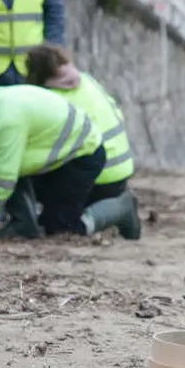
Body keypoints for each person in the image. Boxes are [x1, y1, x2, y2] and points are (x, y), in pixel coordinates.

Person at [0, 86, 125, 237]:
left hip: (82, 157)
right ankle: (24, 225)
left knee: (62, 229)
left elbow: (3, 182)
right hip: (61, 157)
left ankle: (123, 208)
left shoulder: (3, 123)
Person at [25, 43, 141, 240]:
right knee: (50, 219)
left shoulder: (51, 98)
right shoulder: (87, 80)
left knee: (64, 228)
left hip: (98, 176)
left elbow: (44, 154)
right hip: (118, 172)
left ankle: (122, 208)